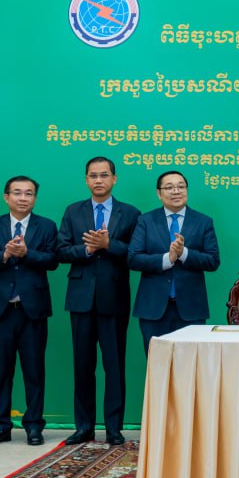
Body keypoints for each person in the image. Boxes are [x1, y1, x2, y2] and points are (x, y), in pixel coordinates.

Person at [57, 157, 141, 446]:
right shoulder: (73, 211)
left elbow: (136, 253)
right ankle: (84, 427)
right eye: (93, 176)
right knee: (82, 365)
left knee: (114, 366)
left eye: (104, 175)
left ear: (114, 179)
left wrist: (109, 245)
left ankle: (114, 428)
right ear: (86, 180)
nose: (98, 180)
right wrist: (88, 250)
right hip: (80, 298)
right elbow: (61, 250)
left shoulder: (130, 213)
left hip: (114, 298)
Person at [0, 175, 59, 446]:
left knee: (34, 372)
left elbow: (53, 260)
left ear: (35, 198)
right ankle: (0, 427)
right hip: (0, 310)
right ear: (6, 197)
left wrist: (26, 254)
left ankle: (33, 426)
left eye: (29, 193)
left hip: (32, 310)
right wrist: (5, 254)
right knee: (0, 372)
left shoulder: (47, 225)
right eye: (17, 193)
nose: (23, 198)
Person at [128, 170, 221, 353]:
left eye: (181, 187)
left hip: (191, 309)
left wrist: (183, 253)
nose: (176, 191)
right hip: (153, 309)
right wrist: (167, 258)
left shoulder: (203, 222)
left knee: (190, 363)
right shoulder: (145, 221)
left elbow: (213, 260)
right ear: (159, 193)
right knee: (157, 362)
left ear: (187, 190)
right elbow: (133, 258)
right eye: (169, 187)